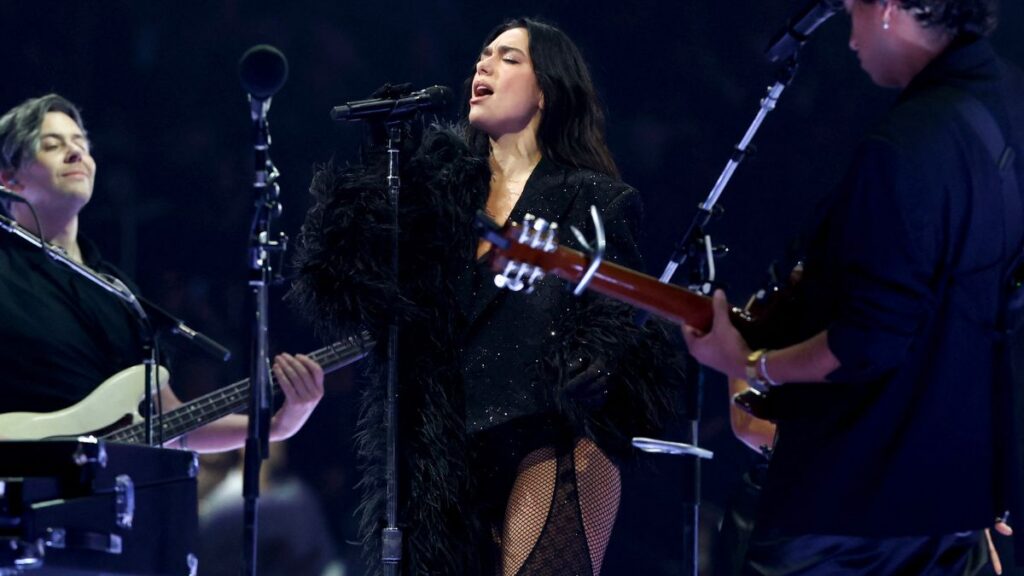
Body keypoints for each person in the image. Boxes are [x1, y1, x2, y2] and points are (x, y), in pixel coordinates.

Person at [291, 17, 684, 576]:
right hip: (445, 460)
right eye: (483, 55)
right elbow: (344, 287)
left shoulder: (595, 199)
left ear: (547, 90)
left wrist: (598, 364)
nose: (485, 64)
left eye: (508, 57)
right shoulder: (432, 196)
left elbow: (625, 322)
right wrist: (382, 170)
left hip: (551, 436)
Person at [682, 0, 1024, 574]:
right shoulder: (1008, 102)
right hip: (951, 501)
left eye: (853, 14)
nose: (851, 39)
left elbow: (866, 341)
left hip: (850, 515)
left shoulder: (906, 144)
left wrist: (749, 363)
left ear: (888, 8)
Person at [0, 93, 324, 452]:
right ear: (8, 179)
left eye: (81, 143)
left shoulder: (119, 293)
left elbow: (171, 425)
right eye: (52, 145)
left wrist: (279, 425)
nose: (76, 153)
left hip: (104, 485)